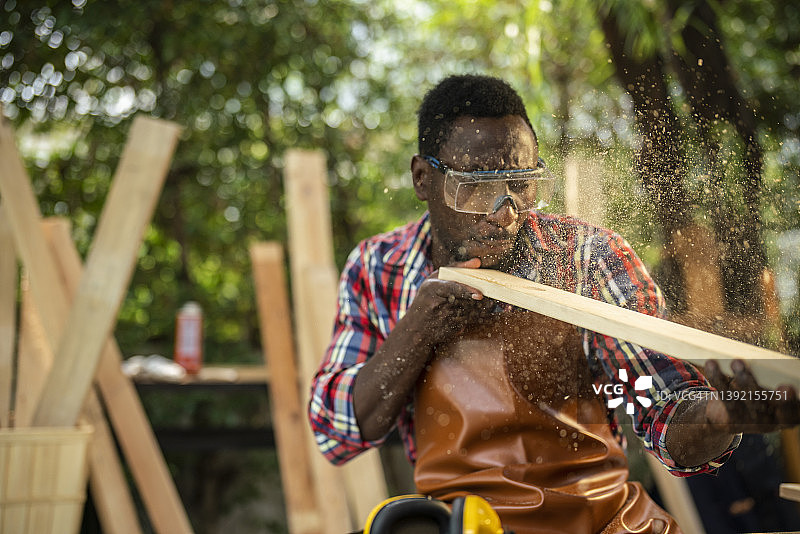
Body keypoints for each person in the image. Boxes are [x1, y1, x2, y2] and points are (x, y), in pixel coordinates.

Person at [308, 74, 798, 533]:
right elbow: (336, 430)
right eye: (476, 184)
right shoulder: (380, 267)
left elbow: (658, 406)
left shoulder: (587, 258)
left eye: (520, 182)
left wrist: (721, 414)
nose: (504, 213)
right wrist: (419, 329)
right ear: (422, 179)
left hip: (600, 522)